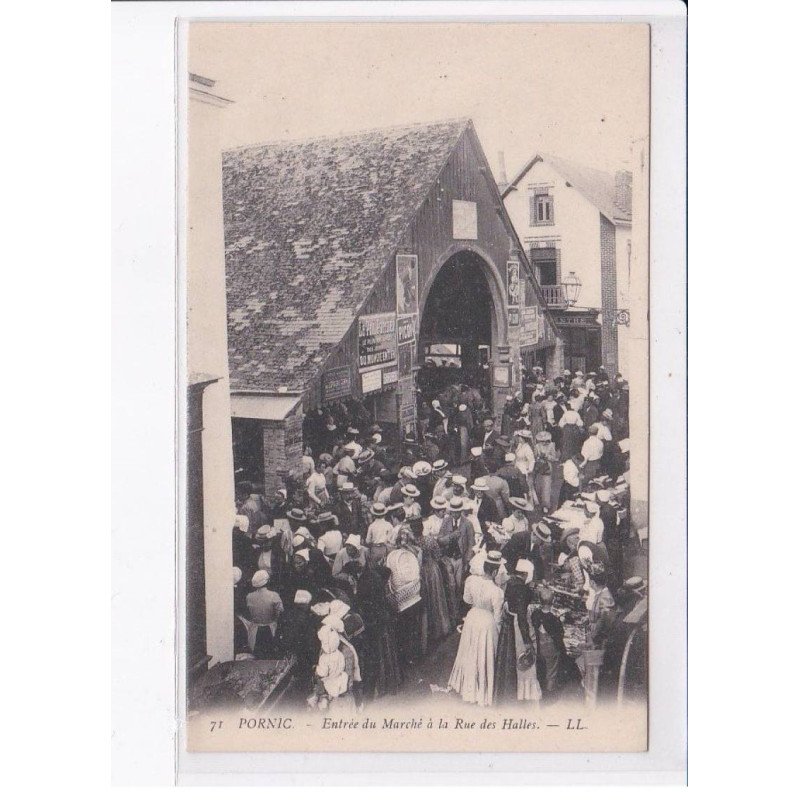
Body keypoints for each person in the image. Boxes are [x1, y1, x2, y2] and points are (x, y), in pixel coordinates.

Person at [447, 551, 506, 706]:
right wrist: (498, 633)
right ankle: (481, 690)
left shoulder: (471, 581)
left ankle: (467, 687)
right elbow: (498, 617)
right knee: (484, 655)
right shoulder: (497, 591)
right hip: (487, 622)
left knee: (470, 651)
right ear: (494, 572)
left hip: (472, 618)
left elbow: (467, 600)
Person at [494, 559, 542, 706]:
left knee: (507, 660)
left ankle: (507, 692)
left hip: (508, 626)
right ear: (527, 574)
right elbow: (522, 617)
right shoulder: (524, 590)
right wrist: (527, 641)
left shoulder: (510, 584)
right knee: (524, 663)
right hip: (518, 628)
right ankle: (525, 695)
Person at [386, 526, 423, 668]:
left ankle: (407, 658)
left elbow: (390, 579)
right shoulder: (410, 555)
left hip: (402, 598)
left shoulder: (394, 556)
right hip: (413, 595)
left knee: (405, 630)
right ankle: (412, 656)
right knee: (411, 628)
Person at [243, 569, 284, 658]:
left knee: (257, 657)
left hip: (255, 631)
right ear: (267, 581)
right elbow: (279, 613)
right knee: (270, 657)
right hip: (270, 630)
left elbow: (248, 612)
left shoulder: (249, 597)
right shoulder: (274, 595)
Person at [533, 431, 559, 513]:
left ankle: (546, 505)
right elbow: (534, 457)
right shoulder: (537, 446)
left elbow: (554, 458)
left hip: (547, 468)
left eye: (545, 440)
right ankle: (539, 502)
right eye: (542, 441)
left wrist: (547, 456)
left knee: (546, 487)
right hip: (539, 468)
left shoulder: (551, 446)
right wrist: (538, 458)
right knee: (538, 486)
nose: (544, 442)